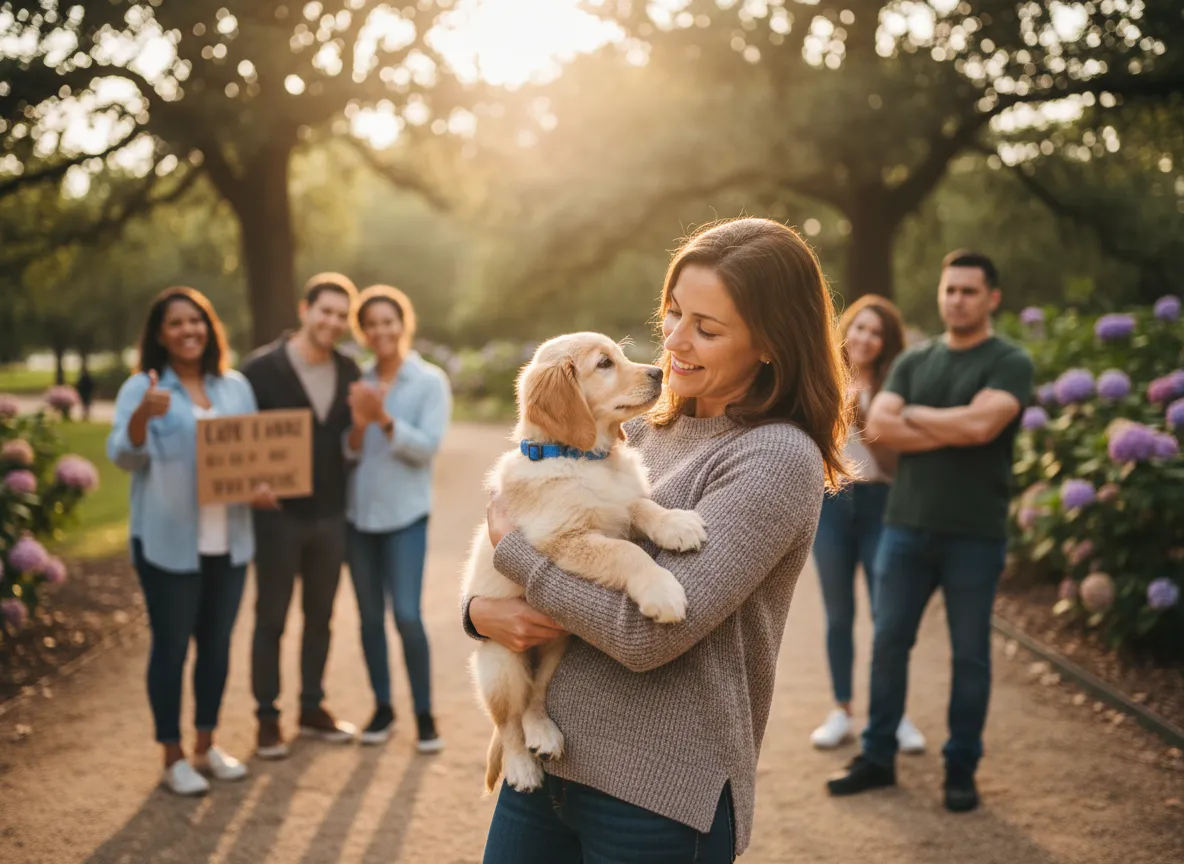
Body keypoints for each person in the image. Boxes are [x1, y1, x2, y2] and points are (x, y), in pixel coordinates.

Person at [463, 217, 851, 862]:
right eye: (672, 314)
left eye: (707, 328)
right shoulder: (633, 429)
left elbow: (649, 635)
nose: (674, 341)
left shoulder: (776, 459)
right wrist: (480, 614)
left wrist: (518, 556)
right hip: (547, 760)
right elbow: (522, 554)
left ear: (770, 345)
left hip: (656, 793)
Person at [826, 250, 1034, 813]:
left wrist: (925, 421)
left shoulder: (1010, 360)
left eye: (968, 291)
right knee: (889, 645)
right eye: (950, 290)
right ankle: (876, 757)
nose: (956, 300)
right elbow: (884, 424)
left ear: (991, 298)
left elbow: (986, 423)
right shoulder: (914, 362)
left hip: (974, 532)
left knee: (970, 657)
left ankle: (960, 767)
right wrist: (961, 425)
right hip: (905, 527)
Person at [107, 286, 273, 796]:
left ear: (209, 328)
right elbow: (123, 456)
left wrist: (263, 485)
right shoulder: (143, 387)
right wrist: (141, 417)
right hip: (168, 540)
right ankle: (172, 755)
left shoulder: (236, 387)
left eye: (196, 321)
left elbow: (254, 453)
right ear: (160, 334)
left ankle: (205, 746)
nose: (188, 331)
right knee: (172, 648)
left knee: (217, 648)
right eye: (176, 323)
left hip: (230, 538)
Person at [241, 272, 362, 759]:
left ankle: (311, 706)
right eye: (324, 311)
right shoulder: (259, 371)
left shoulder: (350, 371)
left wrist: (367, 427)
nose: (331, 322)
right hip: (277, 518)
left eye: (340, 316)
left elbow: (350, 445)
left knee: (321, 617)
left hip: (331, 516)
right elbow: (239, 440)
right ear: (304, 310)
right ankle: (266, 718)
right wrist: (253, 483)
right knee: (270, 618)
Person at [810, 295, 927, 753]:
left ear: (886, 342)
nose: (864, 338)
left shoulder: (897, 387)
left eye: (876, 332)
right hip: (833, 504)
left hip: (881, 501)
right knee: (839, 614)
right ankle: (841, 710)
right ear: (847, 330)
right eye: (859, 327)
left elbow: (897, 465)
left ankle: (892, 714)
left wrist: (866, 419)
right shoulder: (824, 378)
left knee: (887, 615)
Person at [344, 285, 452, 752]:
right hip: (357, 519)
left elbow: (426, 450)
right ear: (362, 332)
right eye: (371, 324)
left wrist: (383, 419)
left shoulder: (430, 382)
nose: (380, 330)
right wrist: (359, 423)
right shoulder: (357, 380)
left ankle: (425, 715)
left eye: (388, 321)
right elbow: (345, 453)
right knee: (369, 619)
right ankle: (383, 707)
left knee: (407, 616)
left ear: (403, 324)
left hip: (406, 516)